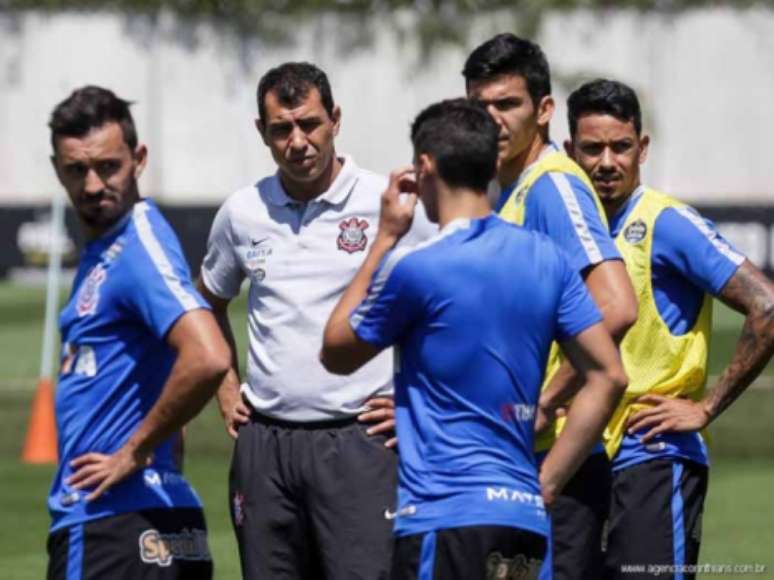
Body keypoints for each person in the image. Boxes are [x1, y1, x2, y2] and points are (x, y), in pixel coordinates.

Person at [320, 98, 628, 580]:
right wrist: (546, 484)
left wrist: (383, 239)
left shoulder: (417, 267)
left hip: (444, 518)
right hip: (523, 519)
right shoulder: (547, 258)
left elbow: (336, 350)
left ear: (425, 166)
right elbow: (609, 376)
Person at [197, 62, 433, 580]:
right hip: (264, 447)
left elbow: (448, 307)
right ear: (263, 133)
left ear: (335, 120)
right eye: (282, 129)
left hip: (358, 442)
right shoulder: (242, 212)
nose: (298, 141)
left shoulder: (386, 203)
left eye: (310, 124)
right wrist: (225, 387)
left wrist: (417, 404)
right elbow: (207, 303)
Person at [565, 78, 774, 580]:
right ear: (570, 151)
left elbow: (766, 305)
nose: (607, 162)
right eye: (592, 149)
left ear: (643, 148)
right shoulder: (565, 226)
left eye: (621, 146)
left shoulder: (666, 223)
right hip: (576, 455)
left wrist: (705, 406)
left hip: (651, 457)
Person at [462, 33, 638, 579]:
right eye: (479, 107)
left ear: (543, 111)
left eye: (507, 105)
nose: (492, 120)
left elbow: (616, 305)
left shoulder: (552, 186)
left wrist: (545, 398)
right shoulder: (504, 190)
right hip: (513, 458)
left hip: (552, 464)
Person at [46, 86, 231, 579]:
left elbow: (208, 355)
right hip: (154, 519)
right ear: (57, 168)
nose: (91, 185)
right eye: (75, 170)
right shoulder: (108, 251)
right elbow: (172, 370)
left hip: (111, 523)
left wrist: (134, 451)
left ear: (139, 158)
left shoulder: (137, 244)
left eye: (107, 166)